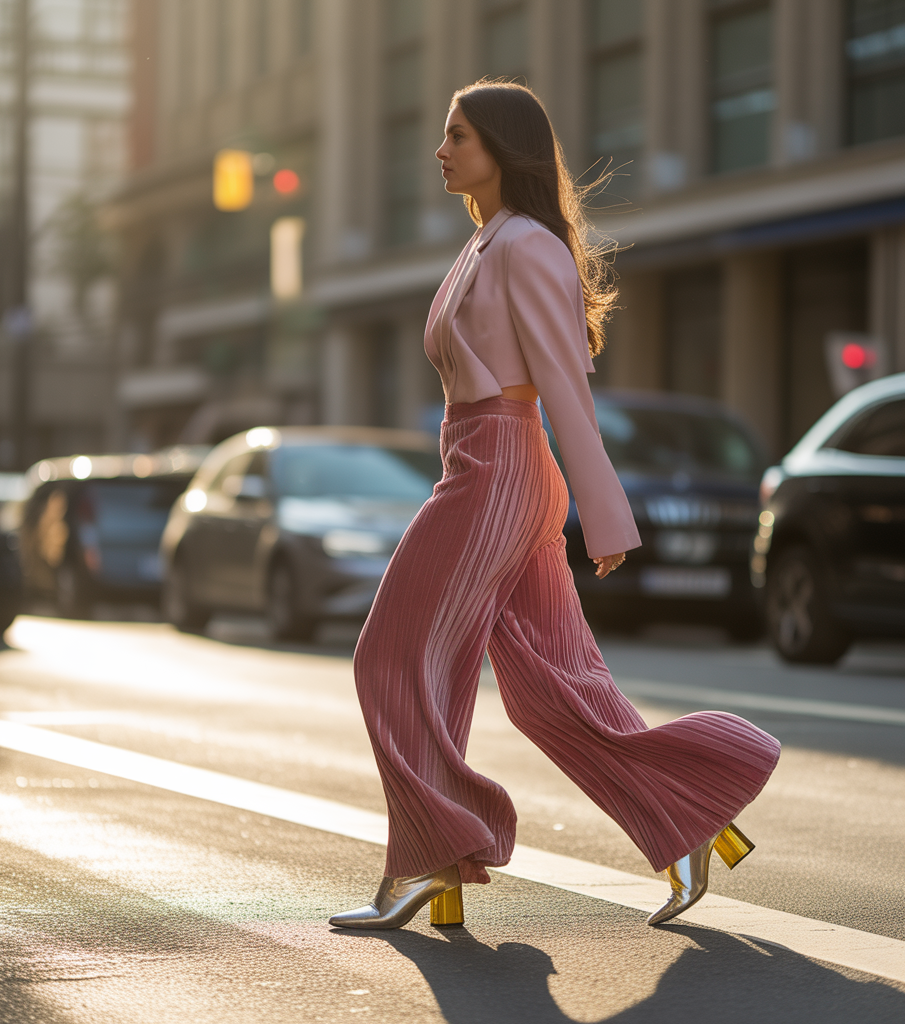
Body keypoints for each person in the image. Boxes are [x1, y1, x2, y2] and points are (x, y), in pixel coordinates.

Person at [330, 81, 780, 931]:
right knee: (550, 688)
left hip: (496, 474)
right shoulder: (485, 244)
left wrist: (605, 516)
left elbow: (564, 391)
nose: (441, 150)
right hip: (485, 466)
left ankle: (435, 854)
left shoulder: (526, 246)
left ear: (503, 148)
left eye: (457, 135)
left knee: (389, 656)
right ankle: (689, 819)